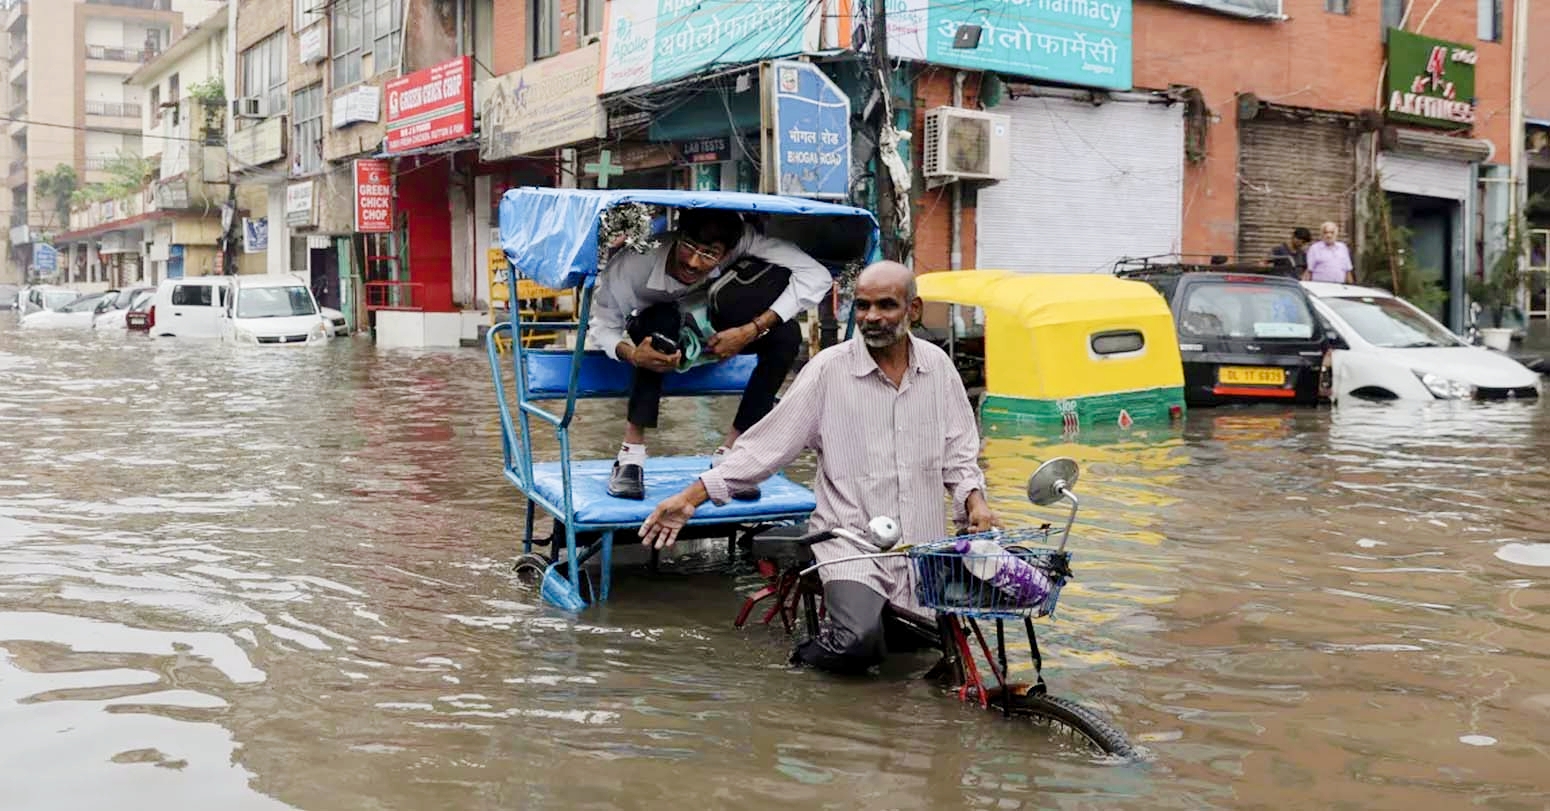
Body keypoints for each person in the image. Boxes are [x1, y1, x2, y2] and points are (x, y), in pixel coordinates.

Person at [639, 261, 997, 674]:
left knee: (932, 655)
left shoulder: (938, 367)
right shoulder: (828, 370)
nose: (872, 317)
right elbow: (764, 448)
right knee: (857, 642)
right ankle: (800, 670)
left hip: (920, 544)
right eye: (862, 306)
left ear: (913, 310)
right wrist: (690, 498)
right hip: (850, 542)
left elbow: (959, 454)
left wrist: (976, 503)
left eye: (886, 305)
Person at [589, 208, 832, 501]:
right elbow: (602, 325)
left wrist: (749, 331)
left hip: (714, 329)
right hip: (658, 337)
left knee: (787, 333)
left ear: (727, 251)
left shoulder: (743, 242)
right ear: (678, 236)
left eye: (708, 254)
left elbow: (816, 274)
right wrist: (631, 354)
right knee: (661, 323)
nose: (693, 262)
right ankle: (630, 455)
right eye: (688, 247)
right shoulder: (632, 265)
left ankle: (732, 453)